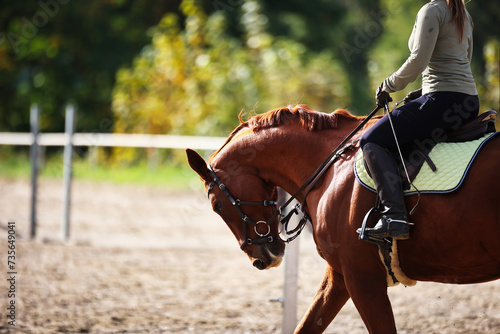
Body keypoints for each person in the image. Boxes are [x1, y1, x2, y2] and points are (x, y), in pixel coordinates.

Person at [358, 0, 479, 240]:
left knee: (371, 140)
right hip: (469, 101)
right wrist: (425, 91)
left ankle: (395, 217)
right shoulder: (462, 12)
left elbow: (418, 61)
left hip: (443, 101)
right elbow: (465, 59)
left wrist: (388, 85)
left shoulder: (432, 10)